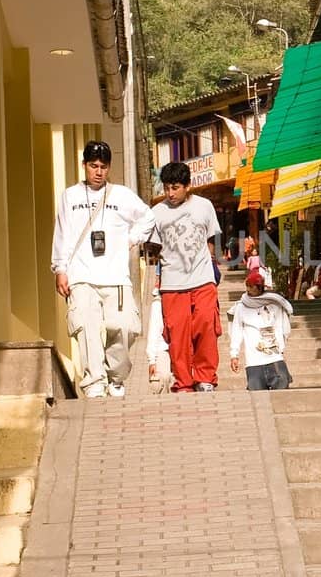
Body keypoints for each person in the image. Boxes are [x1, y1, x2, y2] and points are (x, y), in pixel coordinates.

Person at [50, 139, 151, 399]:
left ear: (109, 168)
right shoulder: (70, 196)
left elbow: (147, 217)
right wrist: (60, 269)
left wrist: (132, 238)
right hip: (81, 275)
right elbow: (61, 234)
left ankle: (115, 376)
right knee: (86, 328)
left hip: (116, 276)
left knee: (126, 327)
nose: (98, 171)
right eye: (93, 165)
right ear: (84, 165)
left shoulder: (121, 195)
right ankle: (94, 382)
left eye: (103, 166)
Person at [131, 162, 223, 393]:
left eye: (175, 188)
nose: (170, 194)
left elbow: (211, 240)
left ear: (187, 186)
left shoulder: (205, 206)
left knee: (205, 324)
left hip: (203, 279)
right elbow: (153, 247)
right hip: (172, 284)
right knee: (178, 335)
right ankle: (184, 382)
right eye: (167, 188)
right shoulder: (157, 213)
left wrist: (211, 267)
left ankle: (205, 378)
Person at [229, 269, 294, 391]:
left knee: (281, 391)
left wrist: (281, 347)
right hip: (253, 361)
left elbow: (282, 327)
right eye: (247, 286)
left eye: (251, 287)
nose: (248, 290)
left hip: (274, 357)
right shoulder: (241, 307)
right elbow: (236, 330)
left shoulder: (274, 304)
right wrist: (234, 354)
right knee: (257, 398)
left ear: (259, 287)